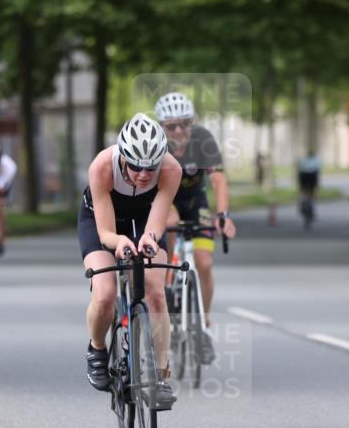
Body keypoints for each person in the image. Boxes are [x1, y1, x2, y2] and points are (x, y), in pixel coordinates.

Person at [79, 113, 182, 408]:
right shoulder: (101, 167)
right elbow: (106, 233)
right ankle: (97, 348)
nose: (144, 174)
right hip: (102, 221)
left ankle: (160, 376)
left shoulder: (171, 169)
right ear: (123, 157)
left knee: (156, 293)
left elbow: (157, 223)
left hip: (144, 219)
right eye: (136, 166)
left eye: (151, 167)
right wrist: (119, 243)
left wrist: (149, 239)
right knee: (105, 295)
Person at [154, 92, 236, 364]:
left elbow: (219, 181)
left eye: (184, 124)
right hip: (164, 197)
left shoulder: (202, 139)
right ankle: (166, 283)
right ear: (162, 127)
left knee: (204, 263)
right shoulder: (156, 145)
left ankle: (204, 322)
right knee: (171, 223)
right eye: (171, 126)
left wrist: (223, 215)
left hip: (195, 200)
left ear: (192, 123)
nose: (179, 131)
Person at [297, 149, 321, 221]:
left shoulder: (303, 160)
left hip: (304, 175)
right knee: (312, 192)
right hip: (312, 175)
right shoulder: (316, 160)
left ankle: (302, 202)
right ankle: (311, 206)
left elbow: (299, 170)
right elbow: (317, 172)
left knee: (303, 191)